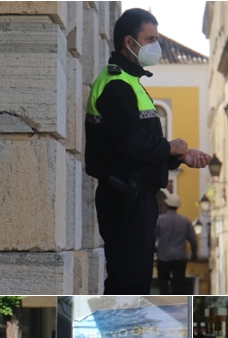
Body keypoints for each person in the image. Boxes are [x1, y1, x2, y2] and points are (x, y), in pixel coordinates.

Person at [84, 8, 211, 295]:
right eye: (151, 38)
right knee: (127, 283)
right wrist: (170, 146)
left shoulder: (132, 83)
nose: (157, 46)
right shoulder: (116, 84)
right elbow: (131, 143)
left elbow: (138, 146)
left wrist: (179, 157)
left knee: (138, 282)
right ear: (130, 42)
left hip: (137, 198)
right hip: (124, 199)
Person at [155, 189, 197, 295]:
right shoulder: (185, 220)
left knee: (163, 282)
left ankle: (165, 301)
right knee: (178, 284)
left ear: (167, 205)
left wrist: (154, 251)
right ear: (178, 206)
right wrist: (194, 254)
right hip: (180, 258)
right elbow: (193, 240)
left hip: (163, 257)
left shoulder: (159, 220)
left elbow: (153, 238)